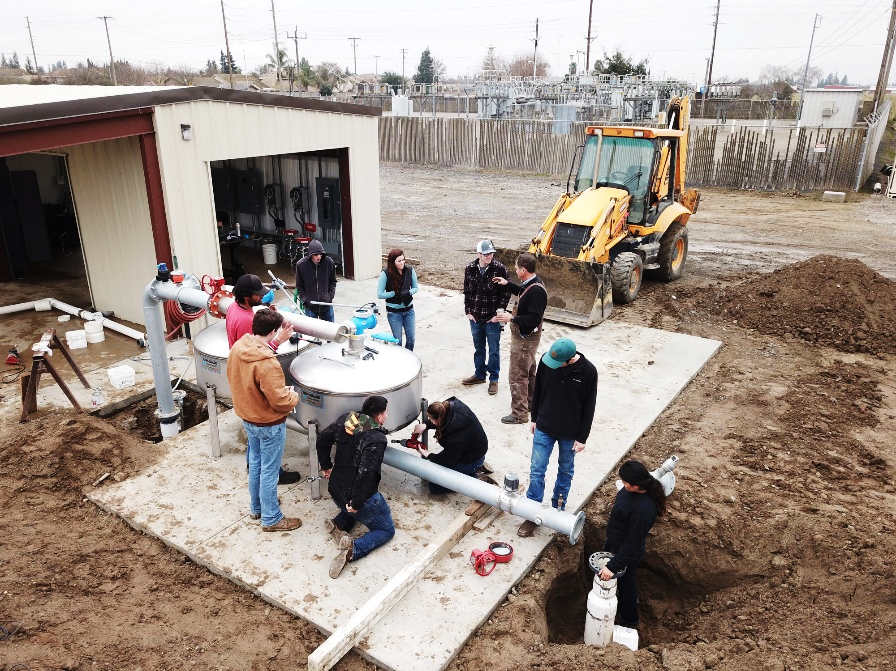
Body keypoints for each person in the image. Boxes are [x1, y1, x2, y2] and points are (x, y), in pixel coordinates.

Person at [226, 308, 302, 532]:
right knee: (270, 470)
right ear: (271, 331)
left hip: (248, 417)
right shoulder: (268, 364)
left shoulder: (240, 346)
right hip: (269, 424)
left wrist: (278, 340)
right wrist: (293, 395)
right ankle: (271, 518)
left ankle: (257, 507)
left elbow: (256, 363)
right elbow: (280, 402)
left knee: (256, 465)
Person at [225, 274, 301, 486]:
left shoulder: (233, 308)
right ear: (247, 297)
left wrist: (268, 314)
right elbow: (258, 355)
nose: (262, 296)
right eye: (258, 295)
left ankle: (254, 473)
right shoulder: (247, 322)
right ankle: (271, 498)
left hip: (242, 380)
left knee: (255, 444)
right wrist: (278, 339)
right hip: (253, 384)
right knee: (267, 462)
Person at [518, 337, 598, 537]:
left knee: (565, 471)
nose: (553, 365)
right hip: (544, 425)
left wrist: (582, 438)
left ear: (570, 359)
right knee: (537, 470)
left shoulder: (588, 372)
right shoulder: (548, 361)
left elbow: (590, 407)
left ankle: (557, 511)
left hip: (570, 433)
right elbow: (538, 391)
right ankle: (531, 512)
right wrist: (534, 417)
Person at [316, 395, 395, 579]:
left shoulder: (346, 419)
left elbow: (322, 439)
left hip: (335, 488)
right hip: (356, 496)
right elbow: (366, 474)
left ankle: (340, 523)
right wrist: (357, 502)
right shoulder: (375, 439)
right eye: (386, 411)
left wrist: (326, 465)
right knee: (386, 530)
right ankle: (353, 549)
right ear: (379, 417)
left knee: (351, 504)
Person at [598, 460, 667, 629]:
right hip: (615, 542)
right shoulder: (630, 492)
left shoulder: (643, 511)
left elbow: (632, 544)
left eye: (625, 482)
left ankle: (629, 619)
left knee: (626, 585)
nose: (623, 484)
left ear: (637, 486)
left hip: (627, 553)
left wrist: (613, 566)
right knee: (614, 579)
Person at [492, 253, 548, 424]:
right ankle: (530, 403)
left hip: (525, 340)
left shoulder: (536, 291)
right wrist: (507, 284)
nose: (515, 270)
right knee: (529, 372)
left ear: (524, 270)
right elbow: (523, 292)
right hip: (528, 339)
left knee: (517, 376)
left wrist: (512, 318)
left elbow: (533, 318)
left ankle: (519, 414)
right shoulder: (532, 283)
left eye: (516, 268)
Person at [462, 239, 511, 395]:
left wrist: (498, 315)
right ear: (479, 254)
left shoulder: (500, 269)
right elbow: (467, 291)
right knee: (479, 349)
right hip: (476, 318)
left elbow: (506, 294)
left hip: (492, 319)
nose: (490, 256)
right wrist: (468, 311)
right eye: (486, 254)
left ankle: (494, 379)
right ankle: (479, 374)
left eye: (491, 253)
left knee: (494, 351)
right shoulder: (470, 269)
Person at [411, 397, 488, 494]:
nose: (430, 421)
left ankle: (474, 477)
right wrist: (425, 425)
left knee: (434, 487)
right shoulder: (449, 406)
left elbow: (447, 462)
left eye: (431, 420)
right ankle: (469, 471)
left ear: (438, 420)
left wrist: (427, 454)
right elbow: (441, 418)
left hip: (471, 458)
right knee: (433, 468)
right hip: (468, 448)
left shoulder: (454, 437)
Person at [376, 248, 418, 351]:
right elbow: (380, 294)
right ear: (392, 262)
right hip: (394, 313)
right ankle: (399, 361)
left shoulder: (410, 270)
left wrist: (408, 292)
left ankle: (409, 358)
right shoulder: (385, 274)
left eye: (403, 260)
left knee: (411, 339)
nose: (402, 263)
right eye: (399, 261)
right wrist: (393, 293)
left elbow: (415, 287)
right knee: (397, 341)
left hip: (409, 310)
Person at [295, 239, 337, 322]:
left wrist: (329, 297)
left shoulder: (329, 262)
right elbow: (299, 285)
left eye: (320, 254)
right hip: (310, 307)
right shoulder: (301, 265)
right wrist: (305, 299)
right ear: (310, 254)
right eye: (316, 254)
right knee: (310, 333)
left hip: (326, 305)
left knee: (330, 331)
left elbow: (333, 281)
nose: (319, 257)